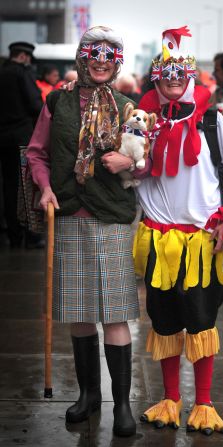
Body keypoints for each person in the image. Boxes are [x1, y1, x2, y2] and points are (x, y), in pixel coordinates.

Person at [133, 26, 223, 436]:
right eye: (165, 74)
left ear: (189, 77)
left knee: (202, 322)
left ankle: (203, 404)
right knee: (165, 321)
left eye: (179, 73)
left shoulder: (211, 121)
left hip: (204, 241)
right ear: (156, 77)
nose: (172, 79)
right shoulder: (142, 122)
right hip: (158, 240)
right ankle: (170, 399)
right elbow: (132, 174)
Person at [26, 26, 139, 437]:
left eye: (110, 55)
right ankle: (89, 396)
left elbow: (147, 159)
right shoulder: (57, 100)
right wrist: (46, 188)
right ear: (82, 57)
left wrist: (129, 164)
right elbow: (37, 152)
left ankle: (122, 406)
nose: (102, 61)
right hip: (69, 213)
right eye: (94, 54)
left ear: (118, 61)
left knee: (115, 311)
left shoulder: (129, 108)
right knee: (78, 313)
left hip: (111, 217)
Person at [0, 41, 43, 248]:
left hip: (3, 138)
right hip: (22, 138)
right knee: (26, 187)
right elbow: (36, 104)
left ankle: (12, 234)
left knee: (7, 187)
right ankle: (30, 235)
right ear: (25, 57)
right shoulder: (22, 74)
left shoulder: (2, 72)